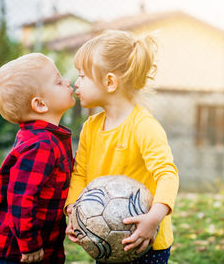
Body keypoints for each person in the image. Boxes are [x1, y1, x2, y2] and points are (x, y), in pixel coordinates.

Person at [65, 30, 179, 264]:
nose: (76, 83)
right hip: (105, 241)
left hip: (145, 243)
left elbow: (167, 175)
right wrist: (73, 212)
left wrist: (153, 219)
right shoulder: (90, 127)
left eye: (83, 76)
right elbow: (79, 174)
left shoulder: (144, 126)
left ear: (109, 82)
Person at [0, 53, 75, 264]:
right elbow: (21, 199)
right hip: (11, 252)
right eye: (58, 81)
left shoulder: (45, 137)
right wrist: (30, 245)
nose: (68, 82)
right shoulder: (41, 145)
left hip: (40, 245)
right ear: (40, 104)